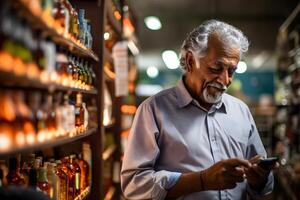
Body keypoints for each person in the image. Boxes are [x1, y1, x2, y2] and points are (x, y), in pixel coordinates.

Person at [121, 19, 275, 200]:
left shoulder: (241, 111)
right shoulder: (153, 110)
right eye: (216, 68)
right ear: (190, 61)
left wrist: (259, 180)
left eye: (231, 71)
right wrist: (201, 180)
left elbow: (265, 185)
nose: (225, 80)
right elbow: (133, 183)